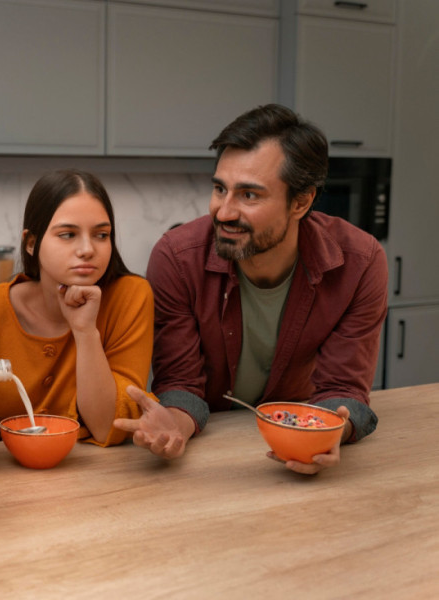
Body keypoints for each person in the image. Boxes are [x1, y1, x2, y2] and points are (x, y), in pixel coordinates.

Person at [114, 104, 388, 475]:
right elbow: (181, 383)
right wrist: (171, 427)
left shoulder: (361, 263)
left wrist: (323, 434)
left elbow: (343, 388)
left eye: (249, 195)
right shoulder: (176, 258)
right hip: (207, 453)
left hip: (290, 442)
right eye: (219, 189)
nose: (223, 212)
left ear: (301, 202)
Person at [0, 169, 153, 455]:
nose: (88, 249)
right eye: (68, 235)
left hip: (96, 479)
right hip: (1, 480)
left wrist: (85, 332)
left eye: (101, 235)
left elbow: (110, 426)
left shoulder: (130, 297)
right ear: (31, 243)